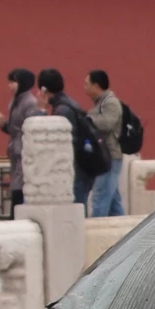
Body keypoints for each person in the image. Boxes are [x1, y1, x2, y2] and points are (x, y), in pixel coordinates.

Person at [37, 68, 104, 206]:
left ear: (44, 90)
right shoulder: (68, 104)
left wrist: (41, 111)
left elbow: (53, 139)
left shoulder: (62, 110)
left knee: (75, 210)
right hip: (82, 166)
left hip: (75, 169)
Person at [83, 70, 126, 217]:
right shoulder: (100, 103)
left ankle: (95, 232)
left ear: (96, 85)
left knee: (99, 198)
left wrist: (87, 120)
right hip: (103, 156)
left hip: (110, 157)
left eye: (87, 84)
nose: (85, 88)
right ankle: (125, 233)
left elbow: (107, 123)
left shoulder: (111, 102)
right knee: (114, 203)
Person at [0, 68, 40, 206]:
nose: (10, 86)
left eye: (13, 82)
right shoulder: (14, 102)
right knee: (16, 186)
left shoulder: (30, 103)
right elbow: (14, 129)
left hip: (24, 151)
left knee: (20, 187)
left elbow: (30, 128)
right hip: (15, 150)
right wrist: (4, 125)